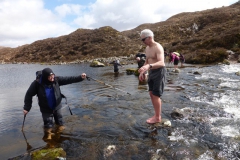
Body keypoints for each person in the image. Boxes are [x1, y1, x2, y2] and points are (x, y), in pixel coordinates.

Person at [23, 68, 87, 140]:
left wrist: (80, 77)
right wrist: (26, 108)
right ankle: (49, 137)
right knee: (48, 124)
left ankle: (59, 134)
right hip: (45, 108)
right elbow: (29, 94)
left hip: (57, 106)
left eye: (52, 75)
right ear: (45, 77)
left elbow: (69, 79)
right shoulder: (37, 83)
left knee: (60, 122)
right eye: (50, 77)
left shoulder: (56, 80)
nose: (52, 78)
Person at [138, 29, 166, 124]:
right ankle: (156, 114)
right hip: (151, 72)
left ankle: (158, 117)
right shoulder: (147, 48)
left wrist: (149, 66)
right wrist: (143, 72)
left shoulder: (158, 47)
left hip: (159, 71)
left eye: (143, 39)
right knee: (151, 93)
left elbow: (161, 62)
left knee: (156, 94)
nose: (143, 42)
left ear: (149, 37)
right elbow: (147, 61)